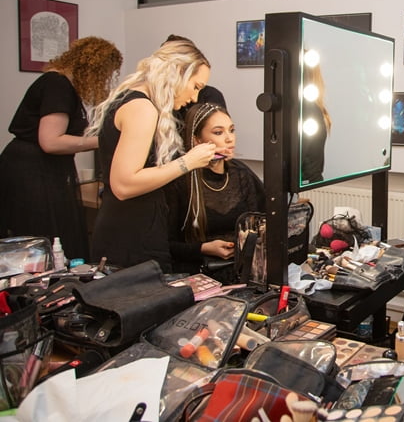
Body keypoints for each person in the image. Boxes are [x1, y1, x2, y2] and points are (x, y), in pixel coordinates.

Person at [86, 38, 217, 273]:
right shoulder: (142, 108)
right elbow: (124, 185)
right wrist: (188, 162)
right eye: (196, 86)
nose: (195, 98)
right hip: (130, 237)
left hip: (131, 228)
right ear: (177, 73)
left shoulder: (130, 100)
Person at [0, 37, 122, 261]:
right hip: (32, 172)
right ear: (95, 68)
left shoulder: (56, 83)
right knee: (40, 240)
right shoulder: (58, 85)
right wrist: (104, 140)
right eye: (106, 73)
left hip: (31, 167)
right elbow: (51, 142)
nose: (105, 80)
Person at [165, 103, 265, 275]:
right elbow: (167, 245)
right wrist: (203, 248)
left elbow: (262, 218)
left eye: (232, 130)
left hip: (242, 272)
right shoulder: (181, 181)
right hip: (197, 273)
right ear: (197, 139)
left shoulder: (241, 173)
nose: (229, 138)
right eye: (218, 132)